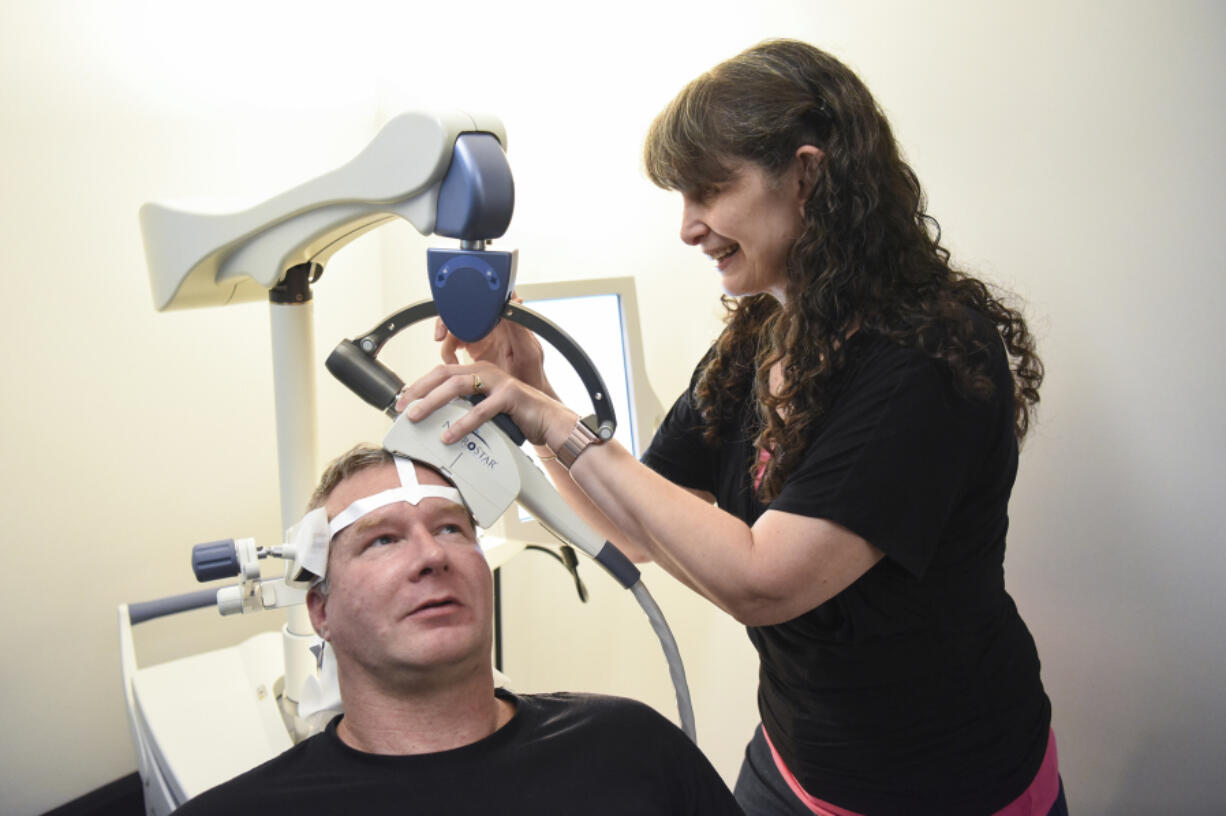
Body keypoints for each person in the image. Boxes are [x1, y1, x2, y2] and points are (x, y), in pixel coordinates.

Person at [398, 39, 1067, 816]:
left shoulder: (924, 360)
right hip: (795, 754)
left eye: (708, 192)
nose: (688, 228)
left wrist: (551, 417)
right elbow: (637, 528)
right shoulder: (767, 329)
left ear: (808, 175)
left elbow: (762, 580)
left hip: (941, 781)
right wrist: (535, 390)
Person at [173, 445, 744, 815]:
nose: (431, 557)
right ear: (320, 611)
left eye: (450, 529)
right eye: (383, 539)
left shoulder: (632, 746)